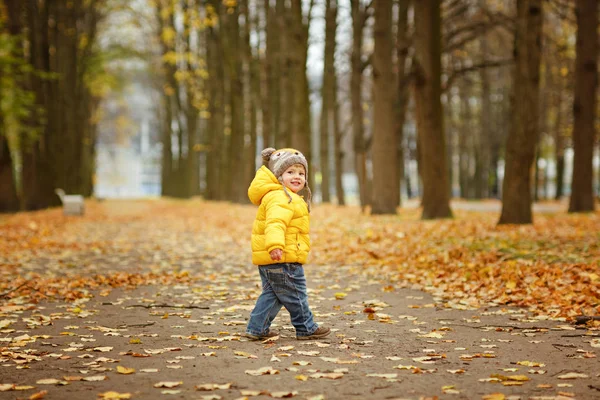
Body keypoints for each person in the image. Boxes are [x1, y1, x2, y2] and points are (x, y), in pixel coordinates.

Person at [244, 147, 331, 341]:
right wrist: (275, 245)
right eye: (290, 172)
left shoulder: (285, 196)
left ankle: (256, 328)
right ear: (278, 176)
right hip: (282, 256)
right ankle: (306, 327)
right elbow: (275, 223)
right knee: (295, 294)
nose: (297, 176)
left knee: (273, 295)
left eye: (301, 173)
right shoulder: (282, 197)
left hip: (273, 258)